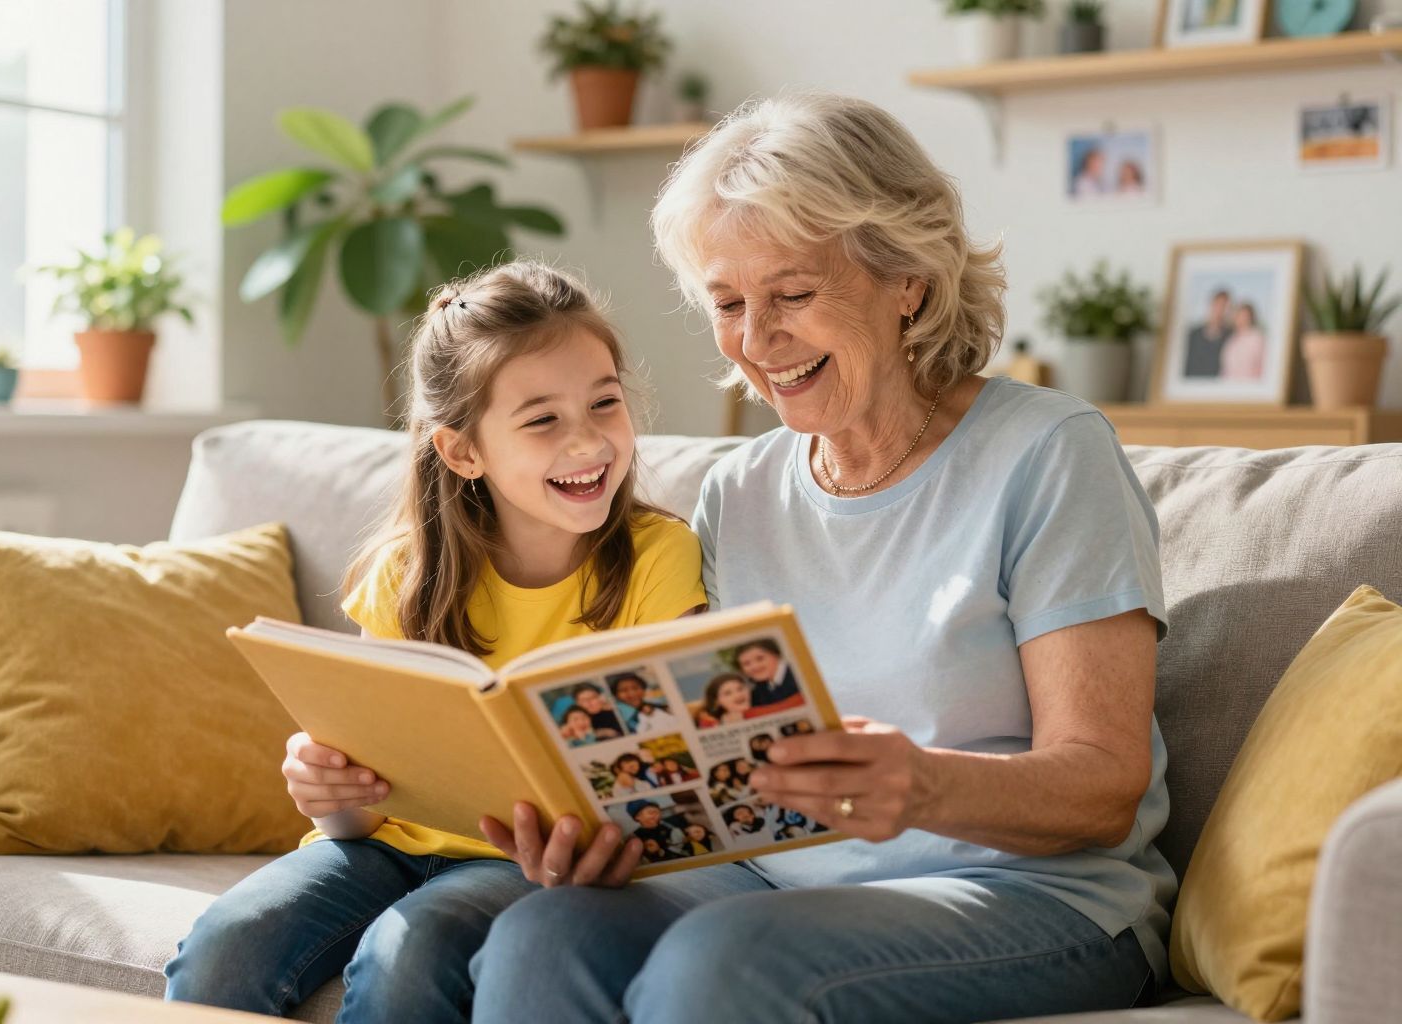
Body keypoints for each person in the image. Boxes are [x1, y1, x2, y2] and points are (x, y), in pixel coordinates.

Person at [469, 93, 1173, 1024]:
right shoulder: (740, 489)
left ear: (907, 278)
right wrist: (604, 828)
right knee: (541, 931)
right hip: (778, 886)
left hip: (1035, 896)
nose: (758, 342)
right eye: (728, 304)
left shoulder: (1048, 453)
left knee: (728, 962)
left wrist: (924, 784)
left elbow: (1103, 788)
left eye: (794, 295)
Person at [162, 260, 708, 1022]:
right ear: (463, 452)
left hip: (519, 863)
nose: (588, 441)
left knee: (405, 956)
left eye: (605, 403)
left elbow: (669, 776)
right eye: (543, 419)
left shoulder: (658, 558)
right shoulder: (404, 575)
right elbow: (358, 806)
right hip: (375, 847)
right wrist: (328, 796)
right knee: (228, 940)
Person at [734, 638, 803, 710]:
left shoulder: (800, 676)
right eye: (746, 664)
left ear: (776, 655)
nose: (754, 667)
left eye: (760, 658)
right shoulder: (759, 688)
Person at [608, 670, 680, 733]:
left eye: (635, 688)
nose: (631, 694)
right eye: (623, 690)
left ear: (643, 689)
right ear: (615, 695)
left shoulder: (660, 707)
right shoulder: (614, 716)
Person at [1184, 289, 1234, 378]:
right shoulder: (1193, 334)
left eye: (1225, 307)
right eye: (1218, 305)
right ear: (1211, 304)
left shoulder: (1231, 337)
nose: (1220, 310)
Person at [1219, 302, 1266, 381]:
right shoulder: (1231, 340)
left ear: (1251, 317)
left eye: (1244, 316)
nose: (1241, 319)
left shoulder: (1257, 338)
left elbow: (1263, 367)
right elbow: (1225, 369)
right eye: (1238, 315)